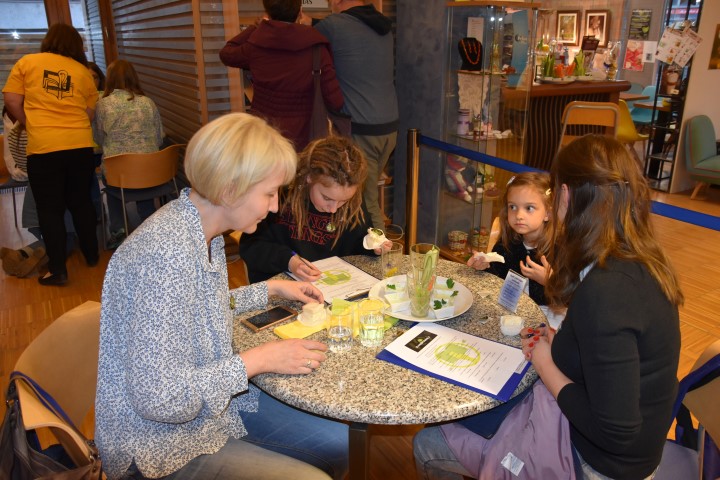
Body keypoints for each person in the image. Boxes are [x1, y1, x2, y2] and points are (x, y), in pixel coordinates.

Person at [95, 113, 349, 480]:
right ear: (230, 191)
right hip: (159, 445)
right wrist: (258, 359)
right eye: (269, 193)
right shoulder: (165, 255)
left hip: (213, 410)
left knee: (341, 442)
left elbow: (198, 309)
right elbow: (160, 399)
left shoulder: (201, 228)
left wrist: (271, 289)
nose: (275, 206)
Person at [414, 135, 682, 480]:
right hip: (621, 449)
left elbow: (616, 433)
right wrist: (560, 343)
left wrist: (543, 361)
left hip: (596, 464)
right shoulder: (642, 262)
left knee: (428, 444)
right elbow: (612, 355)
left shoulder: (606, 290)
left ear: (565, 196)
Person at [3, 23, 100, 286]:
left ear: (49, 40)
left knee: (49, 210)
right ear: (77, 45)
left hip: (44, 147)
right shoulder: (83, 72)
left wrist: (29, 122)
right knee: (81, 202)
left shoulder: (28, 62)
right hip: (79, 146)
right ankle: (92, 256)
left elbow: (11, 100)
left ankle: (58, 270)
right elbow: (89, 114)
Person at [240, 135, 386, 283]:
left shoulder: (352, 202)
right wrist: (288, 260)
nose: (333, 209)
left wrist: (372, 246)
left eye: (343, 201)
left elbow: (356, 244)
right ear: (309, 177)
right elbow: (251, 247)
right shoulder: (279, 196)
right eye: (327, 198)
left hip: (333, 284)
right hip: (281, 283)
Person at [306, 0, 399, 230]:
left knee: (366, 202)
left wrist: (306, 22)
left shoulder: (334, 26)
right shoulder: (381, 25)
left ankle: (379, 249)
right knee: (366, 195)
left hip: (362, 128)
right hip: (388, 128)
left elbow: (302, 39)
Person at [219, 0, 344, 151]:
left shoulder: (255, 45)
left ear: (267, 13)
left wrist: (255, 27)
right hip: (304, 135)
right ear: (300, 12)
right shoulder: (317, 48)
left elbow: (227, 53)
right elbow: (335, 101)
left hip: (264, 132)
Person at [93, 59, 164, 247]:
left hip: (120, 177)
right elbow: (159, 138)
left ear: (109, 79)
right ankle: (150, 228)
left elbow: (99, 140)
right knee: (142, 179)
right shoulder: (148, 103)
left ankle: (119, 231)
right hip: (151, 173)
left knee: (112, 179)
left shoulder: (103, 105)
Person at [466, 172, 552, 306]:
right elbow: (496, 279)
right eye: (513, 207)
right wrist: (484, 266)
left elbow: (573, 299)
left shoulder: (560, 250)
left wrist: (550, 282)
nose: (519, 215)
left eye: (529, 208)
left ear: (547, 213)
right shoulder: (507, 243)